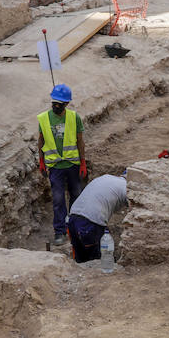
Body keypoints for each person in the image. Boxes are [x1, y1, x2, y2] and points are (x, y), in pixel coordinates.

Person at [37, 83, 87, 247]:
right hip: (55, 167)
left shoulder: (74, 117)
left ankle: (74, 225)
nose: (56, 106)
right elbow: (41, 140)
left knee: (77, 195)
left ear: (66, 104)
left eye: (60, 103)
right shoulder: (44, 119)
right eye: (54, 103)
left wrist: (83, 163)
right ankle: (60, 231)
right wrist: (41, 161)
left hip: (72, 164)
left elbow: (80, 141)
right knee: (58, 199)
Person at [68, 173, 128, 263]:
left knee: (80, 263)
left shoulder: (106, 177)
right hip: (91, 222)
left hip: (73, 217)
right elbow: (134, 207)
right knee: (98, 262)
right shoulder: (126, 187)